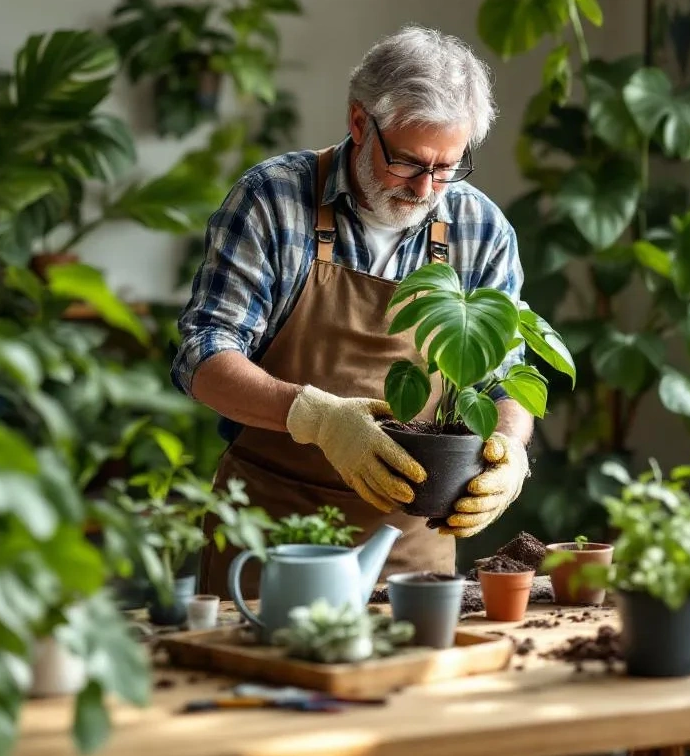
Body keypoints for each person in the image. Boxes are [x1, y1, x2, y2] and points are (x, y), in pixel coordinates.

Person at [171, 25, 533, 597]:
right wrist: (318, 417)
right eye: (411, 163)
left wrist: (510, 449)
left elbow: (506, 375)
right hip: (272, 542)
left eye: (448, 168)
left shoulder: (479, 229)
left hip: (412, 553)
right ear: (360, 122)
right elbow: (202, 356)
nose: (426, 190)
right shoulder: (272, 201)